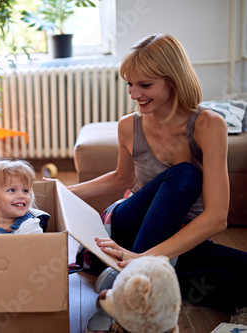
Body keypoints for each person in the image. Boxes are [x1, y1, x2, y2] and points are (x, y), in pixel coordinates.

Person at [46, 34, 247, 331]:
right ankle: (131, 283)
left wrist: (146, 257)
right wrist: (57, 190)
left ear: (173, 80)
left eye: (144, 85)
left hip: (174, 240)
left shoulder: (207, 125)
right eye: (129, 83)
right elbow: (121, 179)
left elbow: (216, 218)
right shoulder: (129, 126)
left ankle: (131, 282)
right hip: (128, 228)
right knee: (186, 174)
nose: (133, 93)